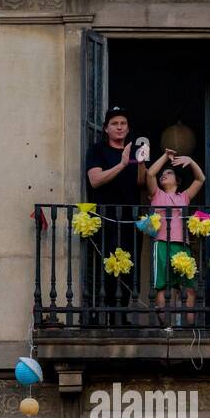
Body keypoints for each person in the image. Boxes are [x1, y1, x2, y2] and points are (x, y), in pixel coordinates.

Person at [85, 106, 145, 323]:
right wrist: (121, 164)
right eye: (114, 123)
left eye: (123, 124)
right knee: (108, 269)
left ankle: (121, 316)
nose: (119, 127)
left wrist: (141, 163)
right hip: (107, 219)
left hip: (130, 220)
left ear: (128, 129)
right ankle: (108, 317)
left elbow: (141, 184)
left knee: (130, 268)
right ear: (106, 129)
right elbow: (95, 180)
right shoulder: (97, 150)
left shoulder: (133, 152)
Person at [146, 149, 205, 326]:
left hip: (182, 245)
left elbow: (200, 179)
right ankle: (166, 325)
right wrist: (164, 156)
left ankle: (190, 327)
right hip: (162, 243)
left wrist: (191, 161)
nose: (164, 175)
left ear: (177, 181)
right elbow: (150, 173)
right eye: (163, 174)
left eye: (169, 173)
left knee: (189, 287)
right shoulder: (156, 195)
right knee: (163, 286)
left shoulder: (184, 197)